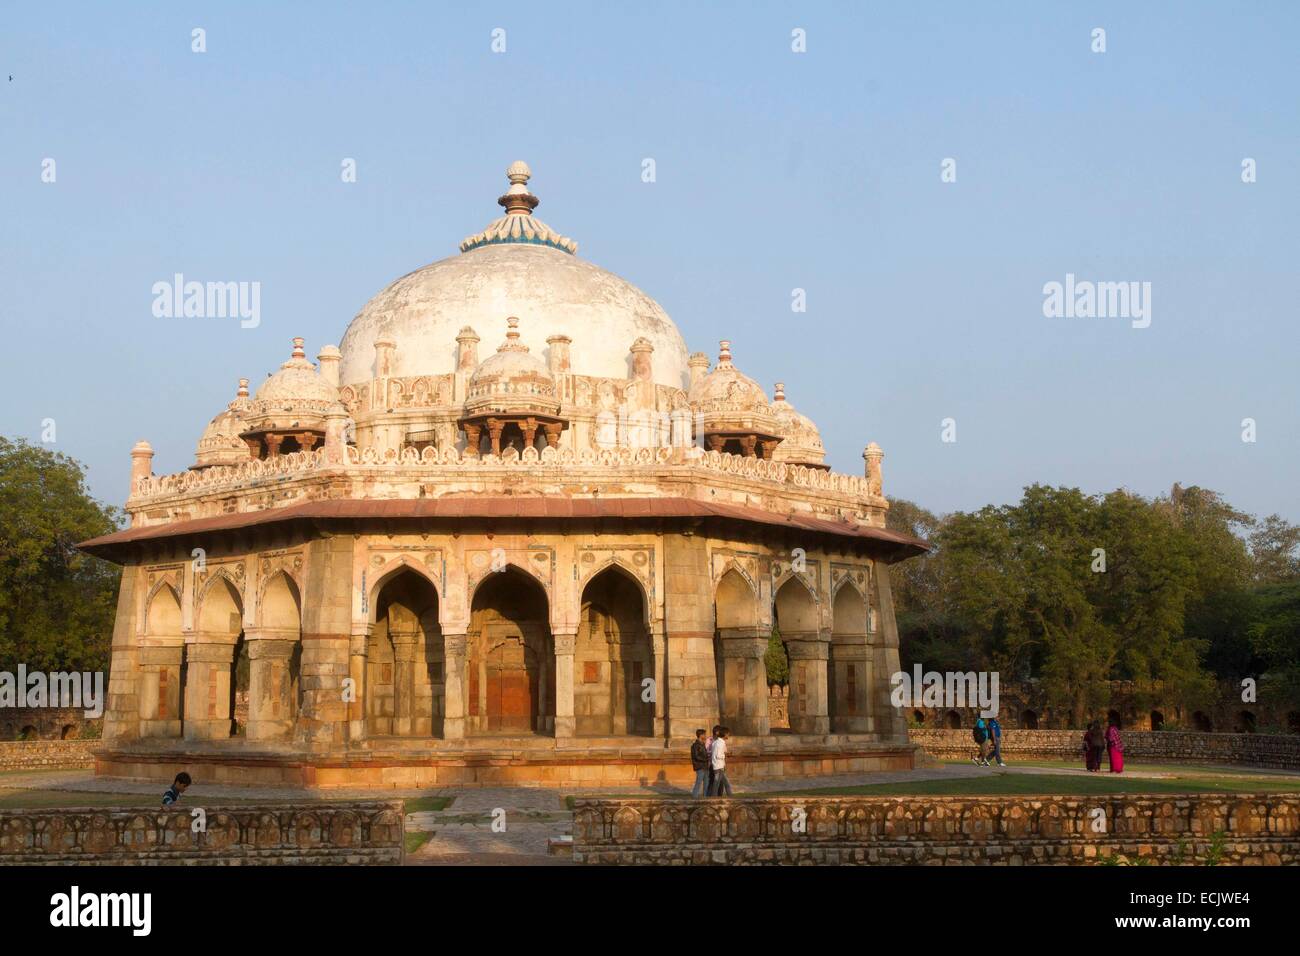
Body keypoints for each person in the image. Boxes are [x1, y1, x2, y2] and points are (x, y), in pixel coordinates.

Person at [709, 727, 733, 797]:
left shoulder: (715, 742)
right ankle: (714, 798)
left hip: (716, 766)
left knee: (724, 783)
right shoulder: (720, 743)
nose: (728, 735)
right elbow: (718, 755)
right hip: (719, 766)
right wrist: (724, 756)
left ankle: (730, 796)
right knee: (717, 783)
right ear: (724, 734)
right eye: (728, 734)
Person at [690, 728, 710, 797]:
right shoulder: (695, 745)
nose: (705, 736)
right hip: (700, 766)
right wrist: (706, 759)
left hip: (705, 766)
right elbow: (696, 756)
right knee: (698, 782)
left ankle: (705, 798)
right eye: (704, 734)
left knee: (706, 783)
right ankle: (694, 797)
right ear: (700, 735)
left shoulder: (702, 744)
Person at [706, 724, 721, 795]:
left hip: (720, 764)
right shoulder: (709, 740)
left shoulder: (720, 740)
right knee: (712, 780)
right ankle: (709, 795)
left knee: (720, 781)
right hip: (712, 763)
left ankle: (719, 796)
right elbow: (707, 751)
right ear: (717, 732)